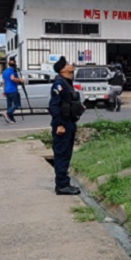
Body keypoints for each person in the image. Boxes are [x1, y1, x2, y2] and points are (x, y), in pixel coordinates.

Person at [48, 56, 85, 195]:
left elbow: (68, 103)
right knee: (62, 154)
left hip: (69, 123)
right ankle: (62, 186)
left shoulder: (67, 82)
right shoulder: (59, 84)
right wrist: (60, 125)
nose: (71, 65)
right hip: (63, 126)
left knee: (66, 154)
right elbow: (54, 106)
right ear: (63, 69)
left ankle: (65, 183)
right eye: (68, 64)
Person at [1, 58, 24, 124]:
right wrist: (20, 80)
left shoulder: (4, 71)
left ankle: (11, 119)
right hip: (13, 89)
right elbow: (12, 78)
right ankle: (7, 113)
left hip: (7, 90)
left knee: (9, 106)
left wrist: (4, 91)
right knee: (17, 104)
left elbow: (3, 82)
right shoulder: (12, 71)